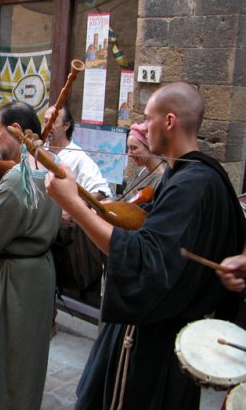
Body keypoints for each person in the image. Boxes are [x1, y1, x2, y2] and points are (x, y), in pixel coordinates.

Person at [45, 82, 246, 409]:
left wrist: (76, 207)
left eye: (147, 117)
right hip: (158, 336)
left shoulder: (193, 183)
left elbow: (143, 259)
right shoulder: (191, 175)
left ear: (169, 121)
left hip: (154, 344)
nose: (140, 126)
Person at [0, 101, 61, 409]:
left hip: (15, 279)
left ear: (17, 131)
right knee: (27, 356)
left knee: (6, 355)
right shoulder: (53, 166)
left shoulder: (17, 178)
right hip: (41, 273)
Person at [44, 105, 111, 200]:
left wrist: (75, 209)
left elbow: (101, 190)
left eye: (53, 122)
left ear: (66, 126)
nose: (48, 125)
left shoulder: (78, 156)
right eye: (45, 121)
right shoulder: (40, 149)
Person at [118, 122, 166, 201]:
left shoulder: (161, 180)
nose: (129, 154)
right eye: (128, 148)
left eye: (134, 148)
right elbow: (125, 198)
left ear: (150, 147)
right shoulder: (142, 171)